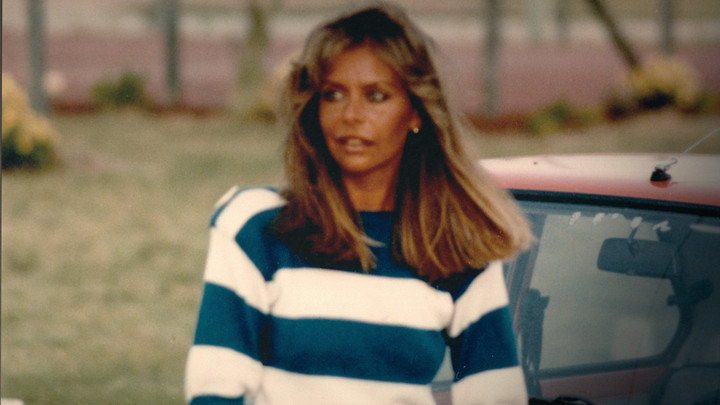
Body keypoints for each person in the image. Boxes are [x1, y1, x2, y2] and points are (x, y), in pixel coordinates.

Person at [185, 4, 534, 405]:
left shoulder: (458, 245)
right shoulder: (255, 227)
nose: (351, 115)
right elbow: (214, 390)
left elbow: (496, 396)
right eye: (333, 95)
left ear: (417, 112)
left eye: (376, 96)